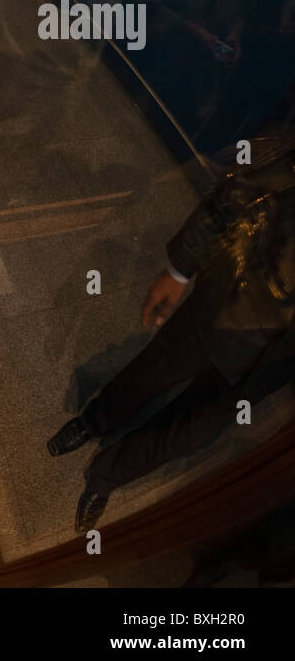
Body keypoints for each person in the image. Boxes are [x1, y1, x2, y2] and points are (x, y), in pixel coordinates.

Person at [48, 131, 295, 533]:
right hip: (233, 303)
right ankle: (94, 421)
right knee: (154, 371)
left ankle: (106, 475)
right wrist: (179, 271)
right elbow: (236, 194)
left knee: (188, 434)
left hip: (277, 356)